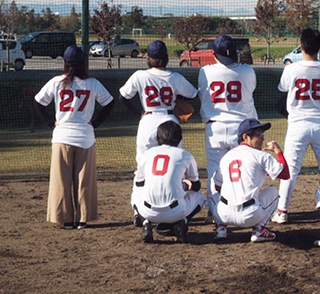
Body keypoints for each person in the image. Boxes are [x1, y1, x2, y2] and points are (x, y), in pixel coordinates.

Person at [34, 45, 114, 229]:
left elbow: (38, 102)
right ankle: (83, 219)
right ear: (83, 64)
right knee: (85, 181)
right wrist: (95, 123)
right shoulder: (92, 83)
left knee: (61, 181)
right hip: (85, 137)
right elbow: (109, 103)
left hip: (62, 136)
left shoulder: (56, 82)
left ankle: (66, 219)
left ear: (65, 63)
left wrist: (49, 122)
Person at [119, 40, 198, 225]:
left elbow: (123, 96)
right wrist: (177, 96)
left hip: (147, 121)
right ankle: (175, 207)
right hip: (169, 121)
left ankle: (139, 210)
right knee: (175, 165)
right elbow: (193, 94)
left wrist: (138, 114)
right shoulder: (175, 77)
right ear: (167, 59)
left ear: (149, 59)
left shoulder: (140, 75)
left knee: (142, 169)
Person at [272, 28, 320, 224]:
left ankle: (283, 211)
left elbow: (284, 88)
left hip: (298, 124)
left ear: (301, 46)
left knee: (291, 170)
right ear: (319, 47)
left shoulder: (291, 69)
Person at [198, 35, 258, 220]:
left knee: (215, 172)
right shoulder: (248, 71)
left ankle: (214, 213)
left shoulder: (205, 71)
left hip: (215, 128)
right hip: (242, 130)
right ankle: (247, 209)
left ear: (214, 54)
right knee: (245, 171)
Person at [208, 118, 290, 242]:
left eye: (262, 135)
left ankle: (221, 228)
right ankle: (259, 230)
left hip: (224, 214)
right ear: (246, 137)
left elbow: (218, 186)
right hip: (250, 216)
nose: (262, 138)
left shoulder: (226, 156)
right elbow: (285, 174)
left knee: (214, 196)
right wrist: (278, 152)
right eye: (258, 135)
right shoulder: (261, 156)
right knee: (273, 192)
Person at [132, 120, 205, 243]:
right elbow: (196, 186)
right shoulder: (185, 155)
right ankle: (183, 222)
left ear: (158, 138)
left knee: (136, 190)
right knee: (200, 197)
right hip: (176, 212)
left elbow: (139, 183)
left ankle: (145, 222)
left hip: (148, 211)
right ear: (179, 138)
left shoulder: (147, 154)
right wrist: (184, 185)